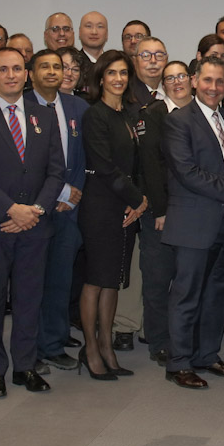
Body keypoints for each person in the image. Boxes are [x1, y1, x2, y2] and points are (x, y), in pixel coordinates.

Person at [0, 48, 67, 397]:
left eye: (17, 69)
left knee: (29, 299)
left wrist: (35, 210)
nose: (11, 74)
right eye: (2, 69)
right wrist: (10, 210)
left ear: (26, 74)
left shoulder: (45, 115)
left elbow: (57, 171)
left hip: (35, 226)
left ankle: (24, 366)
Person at [161, 56, 224, 389]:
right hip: (194, 223)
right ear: (193, 80)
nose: (213, 87)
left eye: (220, 82)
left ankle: (206, 354)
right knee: (187, 294)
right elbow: (187, 172)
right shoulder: (179, 122)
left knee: (218, 295)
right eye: (207, 80)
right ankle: (178, 362)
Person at [77, 50, 145, 380]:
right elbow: (104, 166)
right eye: (111, 73)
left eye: (123, 73)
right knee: (96, 279)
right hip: (101, 205)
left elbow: (134, 164)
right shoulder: (95, 115)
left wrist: (137, 201)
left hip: (125, 205)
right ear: (100, 78)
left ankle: (107, 345)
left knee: (114, 280)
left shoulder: (127, 114)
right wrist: (140, 200)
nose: (118, 79)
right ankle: (90, 348)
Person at [33, 47, 89, 372]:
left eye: (63, 67)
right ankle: (30, 348)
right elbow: (24, 161)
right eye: (50, 66)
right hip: (35, 206)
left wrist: (72, 193)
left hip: (69, 207)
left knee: (59, 278)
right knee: (32, 280)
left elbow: (82, 158)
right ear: (33, 73)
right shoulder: (22, 105)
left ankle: (53, 343)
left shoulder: (77, 107)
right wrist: (57, 190)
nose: (57, 72)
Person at [137, 61, 195, 365]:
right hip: (162, 212)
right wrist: (160, 210)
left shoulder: (202, 114)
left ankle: (185, 338)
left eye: (181, 76)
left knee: (188, 281)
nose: (176, 82)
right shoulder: (153, 115)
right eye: (169, 78)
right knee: (158, 280)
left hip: (196, 212)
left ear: (192, 79)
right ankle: (159, 341)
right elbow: (151, 167)